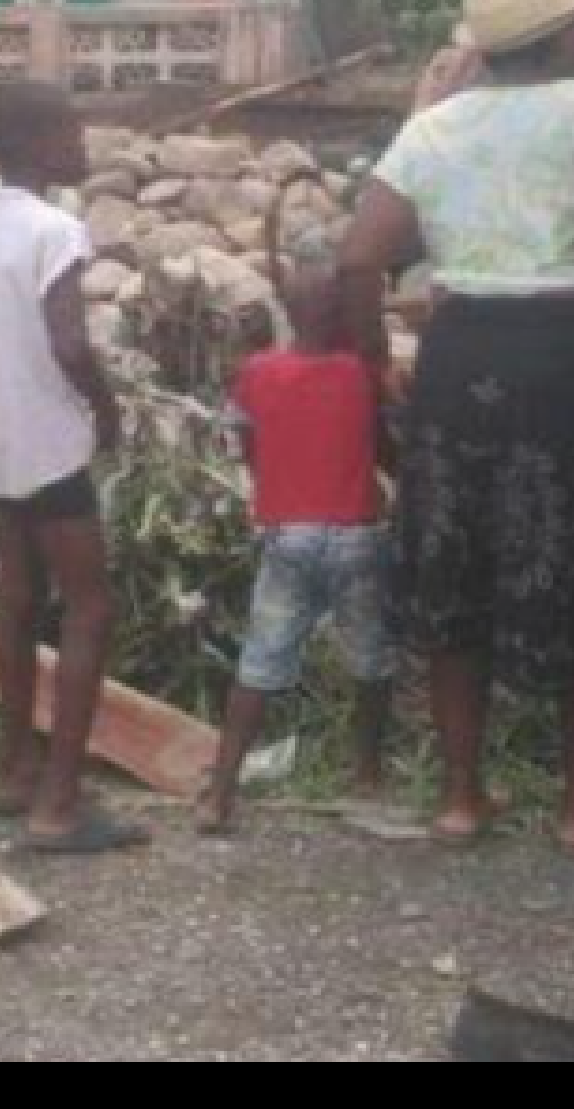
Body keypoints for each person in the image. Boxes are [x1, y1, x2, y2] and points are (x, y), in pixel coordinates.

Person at [342, 0, 574, 855]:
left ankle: (463, 799)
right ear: (561, 37)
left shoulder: (434, 130)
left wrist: (371, 362)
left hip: (463, 365)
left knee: (452, 574)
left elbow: (359, 260)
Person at [0, 82, 148, 855]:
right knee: (90, 609)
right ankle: (60, 804)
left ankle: (14, 772)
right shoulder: (56, 228)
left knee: (17, 599)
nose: (84, 145)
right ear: (36, 145)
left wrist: (10, 365)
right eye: (71, 132)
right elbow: (71, 344)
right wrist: (105, 409)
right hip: (51, 441)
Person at [196, 258, 394, 836]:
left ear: (286, 311)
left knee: (259, 663)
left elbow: (245, 442)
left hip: (289, 534)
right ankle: (366, 772)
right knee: (371, 659)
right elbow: (384, 446)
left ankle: (221, 794)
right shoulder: (362, 371)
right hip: (357, 532)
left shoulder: (258, 371)